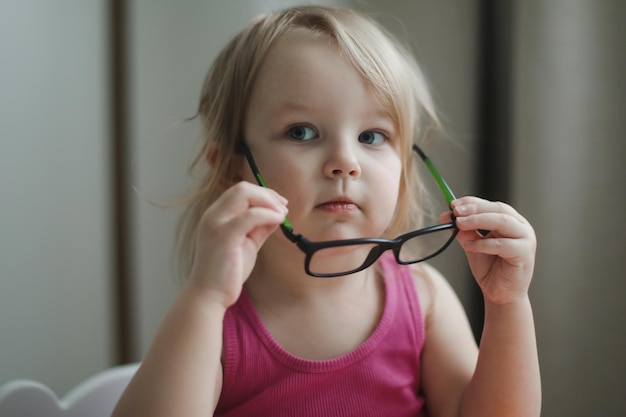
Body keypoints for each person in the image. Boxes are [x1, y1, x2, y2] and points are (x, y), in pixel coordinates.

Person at [112, 5, 540, 417]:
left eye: (372, 136)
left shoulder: (423, 299)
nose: (345, 161)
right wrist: (204, 298)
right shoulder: (216, 320)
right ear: (230, 167)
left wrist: (507, 305)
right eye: (302, 132)